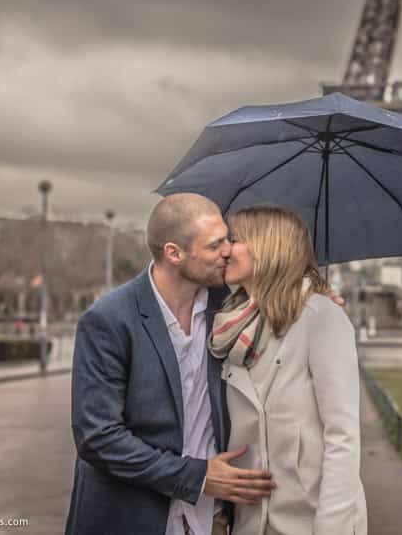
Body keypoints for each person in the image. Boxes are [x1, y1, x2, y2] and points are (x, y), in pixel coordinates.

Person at [65, 193, 275, 535]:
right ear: (174, 253)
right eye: (214, 245)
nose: (227, 251)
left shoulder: (230, 307)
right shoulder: (109, 319)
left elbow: (285, 302)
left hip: (211, 520)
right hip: (130, 516)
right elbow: (98, 437)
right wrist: (198, 476)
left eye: (227, 239)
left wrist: (318, 304)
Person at [210, 206, 367, 535]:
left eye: (234, 240)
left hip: (310, 523)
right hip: (249, 523)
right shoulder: (231, 326)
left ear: (267, 247)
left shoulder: (320, 316)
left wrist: (332, 527)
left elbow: (343, 436)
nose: (224, 250)